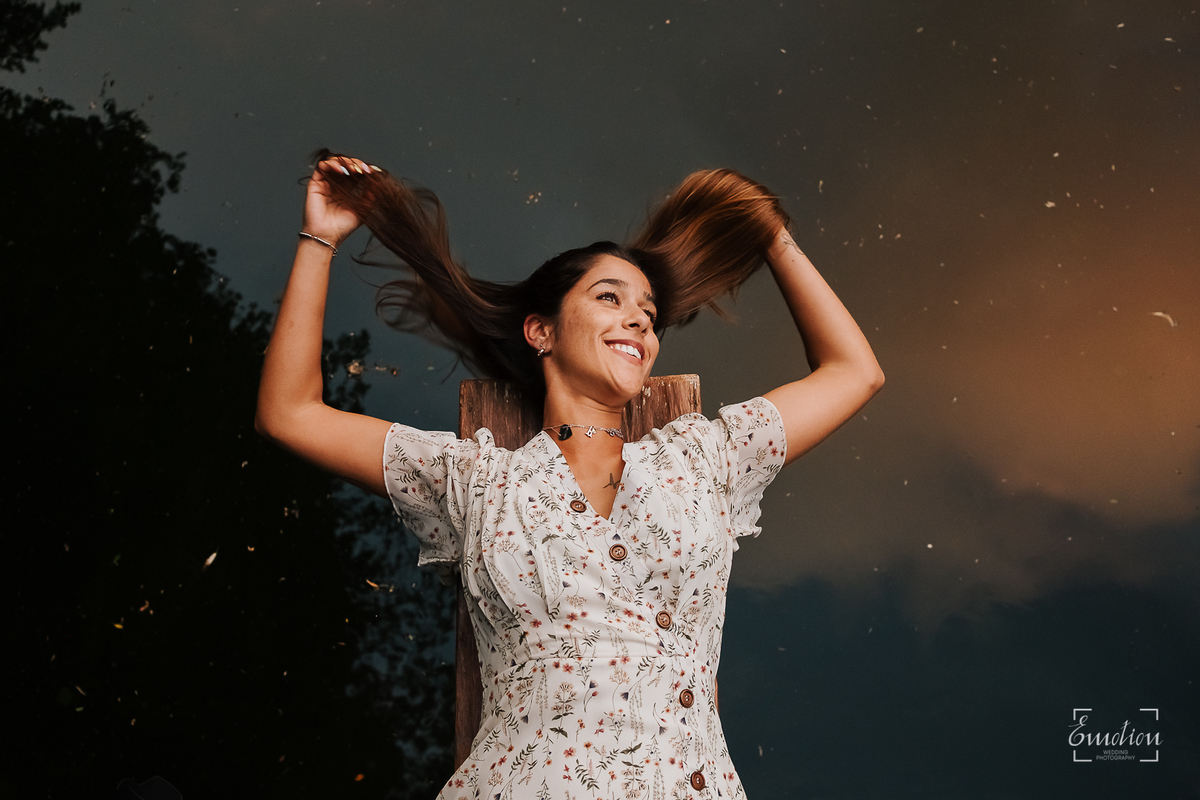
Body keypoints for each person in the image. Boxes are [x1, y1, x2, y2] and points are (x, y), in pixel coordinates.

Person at [256, 153, 883, 799]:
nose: (639, 319)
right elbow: (289, 414)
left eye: (648, 312)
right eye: (609, 297)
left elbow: (854, 372)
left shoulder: (704, 460)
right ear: (541, 331)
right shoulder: (477, 483)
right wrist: (320, 238)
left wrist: (768, 233)